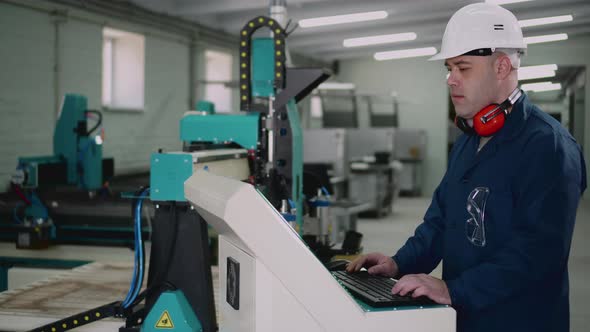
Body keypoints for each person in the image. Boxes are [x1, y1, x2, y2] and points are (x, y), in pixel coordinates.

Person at [347, 3, 587, 332]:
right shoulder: (468, 140)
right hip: (464, 318)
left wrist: (453, 289)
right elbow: (441, 223)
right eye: (449, 68)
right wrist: (399, 263)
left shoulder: (548, 146)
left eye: (463, 68)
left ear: (502, 66)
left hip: (520, 321)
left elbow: (538, 253)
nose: (450, 79)